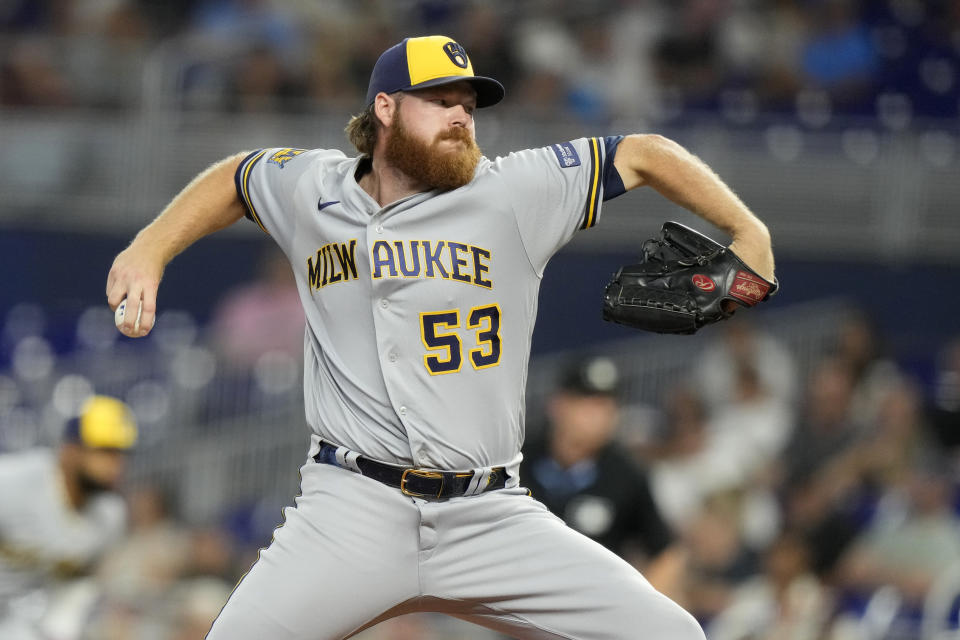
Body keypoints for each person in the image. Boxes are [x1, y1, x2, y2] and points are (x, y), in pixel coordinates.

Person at [106, 34, 774, 640]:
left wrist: (751, 234)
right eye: (440, 101)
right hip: (352, 510)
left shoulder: (514, 191)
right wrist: (150, 248)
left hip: (489, 515)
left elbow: (645, 153)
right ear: (387, 109)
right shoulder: (314, 188)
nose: (461, 116)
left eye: (469, 104)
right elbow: (238, 177)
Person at [521, 356, 688, 602]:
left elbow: (667, 552)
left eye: (607, 405)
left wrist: (641, 606)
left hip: (591, 607)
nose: (599, 415)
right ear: (558, 405)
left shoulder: (625, 473)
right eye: (588, 403)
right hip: (516, 602)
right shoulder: (520, 459)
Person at [0, 395, 137, 639]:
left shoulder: (111, 517)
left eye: (121, 453)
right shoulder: (15, 483)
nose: (116, 464)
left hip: (25, 620)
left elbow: (80, 587)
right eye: (105, 451)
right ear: (71, 450)